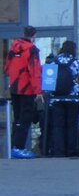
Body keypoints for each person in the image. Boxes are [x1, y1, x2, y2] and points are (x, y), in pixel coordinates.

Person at [4, 25, 41, 158]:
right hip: (27, 89)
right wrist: (38, 91)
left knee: (17, 119)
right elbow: (34, 71)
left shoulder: (14, 48)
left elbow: (7, 68)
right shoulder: (31, 50)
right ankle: (19, 148)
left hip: (15, 87)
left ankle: (13, 146)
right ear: (34, 35)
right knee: (25, 119)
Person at [45, 39, 79, 157]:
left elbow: (48, 83)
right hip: (73, 99)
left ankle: (58, 151)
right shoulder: (76, 62)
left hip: (56, 99)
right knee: (72, 125)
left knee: (58, 126)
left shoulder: (53, 62)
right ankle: (71, 150)